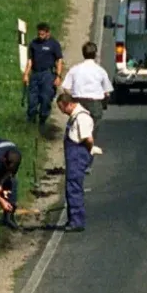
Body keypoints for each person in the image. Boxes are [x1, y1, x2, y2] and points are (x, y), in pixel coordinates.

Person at [61, 41, 113, 145]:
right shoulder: (100, 71)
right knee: (91, 130)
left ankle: (77, 145)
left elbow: (65, 87)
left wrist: (72, 97)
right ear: (95, 54)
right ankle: (89, 147)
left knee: (77, 126)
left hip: (78, 102)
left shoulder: (75, 69)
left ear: (83, 53)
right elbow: (107, 92)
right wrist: (104, 104)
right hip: (95, 103)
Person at [56, 93, 94, 233]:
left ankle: (77, 221)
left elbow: (88, 139)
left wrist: (89, 154)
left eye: (62, 108)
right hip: (73, 156)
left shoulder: (82, 118)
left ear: (70, 104)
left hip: (77, 155)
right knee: (71, 187)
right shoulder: (74, 117)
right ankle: (73, 219)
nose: (62, 111)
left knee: (74, 188)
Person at [24, 22, 64, 132]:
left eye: (42, 34)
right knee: (32, 100)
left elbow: (59, 60)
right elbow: (30, 60)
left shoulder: (54, 44)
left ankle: (42, 120)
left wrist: (58, 76)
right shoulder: (33, 44)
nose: (40, 36)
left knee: (45, 99)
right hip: (35, 74)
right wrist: (26, 74)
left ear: (47, 33)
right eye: (39, 34)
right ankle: (31, 121)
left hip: (47, 74)